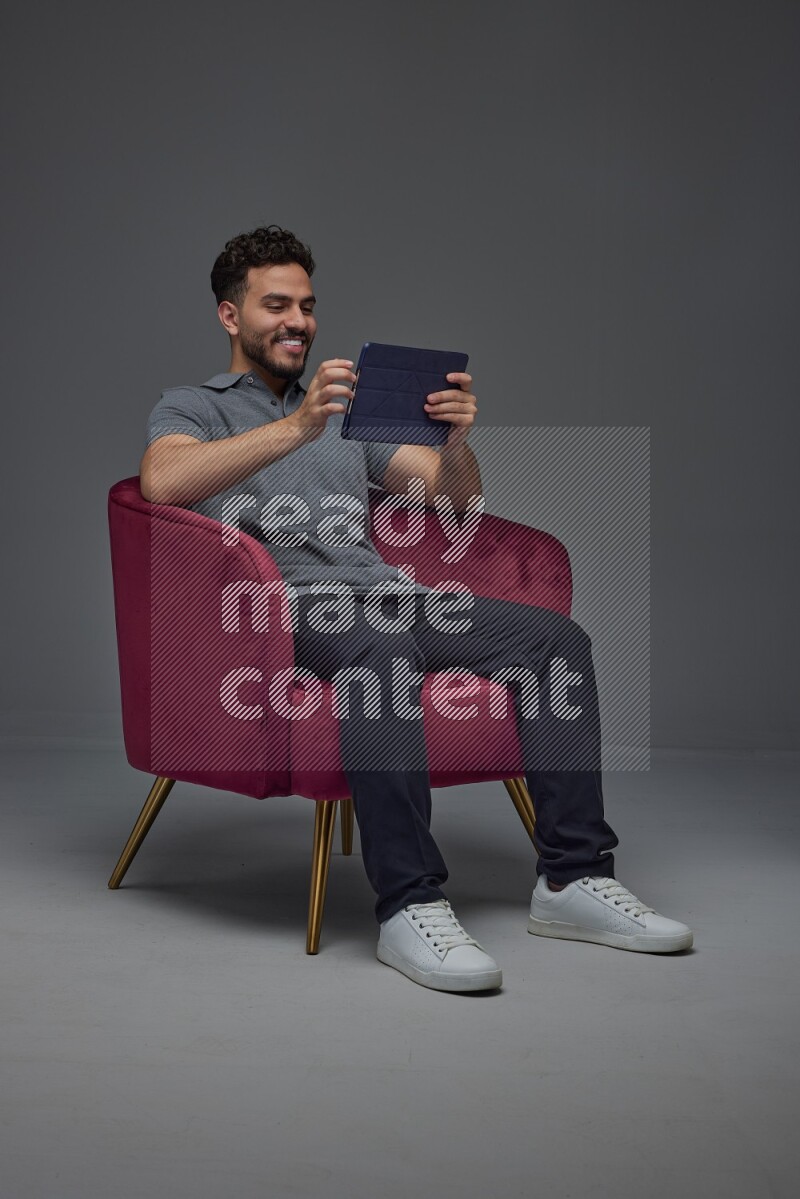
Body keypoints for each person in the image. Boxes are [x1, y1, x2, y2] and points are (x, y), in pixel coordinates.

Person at [141, 224, 693, 993]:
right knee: (380, 652)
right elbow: (163, 484)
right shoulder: (193, 406)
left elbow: (453, 498)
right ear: (231, 317)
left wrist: (458, 439)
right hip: (283, 612)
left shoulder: (342, 409)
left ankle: (572, 880)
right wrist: (292, 428)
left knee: (556, 643)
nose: (298, 320)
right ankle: (409, 904)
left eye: (306, 304)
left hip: (390, 597)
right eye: (276, 304)